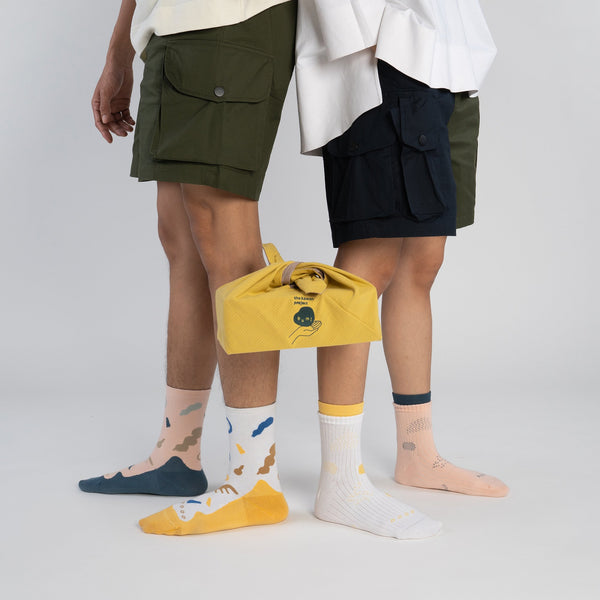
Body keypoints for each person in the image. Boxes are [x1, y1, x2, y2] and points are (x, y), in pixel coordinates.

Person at [81, 0, 442, 540]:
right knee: (181, 241)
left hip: (224, 22)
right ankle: (177, 452)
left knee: (227, 244)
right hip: (168, 28)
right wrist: (119, 51)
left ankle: (254, 478)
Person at [295, 0, 509, 516]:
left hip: (448, 61)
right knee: (367, 267)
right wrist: (366, 40)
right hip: (385, 59)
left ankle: (417, 453)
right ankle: (339, 478)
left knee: (422, 262)